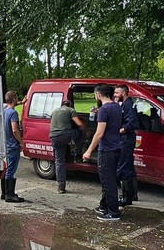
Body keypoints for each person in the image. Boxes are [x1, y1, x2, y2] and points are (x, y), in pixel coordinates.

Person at [82, 84, 122, 221]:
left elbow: (99, 133)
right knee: (109, 178)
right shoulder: (116, 106)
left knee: (107, 181)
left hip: (106, 150)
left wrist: (88, 151)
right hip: (116, 147)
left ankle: (113, 212)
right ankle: (104, 206)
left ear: (98, 95)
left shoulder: (104, 110)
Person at [49, 99, 86, 194]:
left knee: (59, 162)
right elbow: (79, 123)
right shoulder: (71, 110)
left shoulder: (54, 111)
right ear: (70, 105)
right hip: (65, 135)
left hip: (54, 137)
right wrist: (86, 130)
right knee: (79, 131)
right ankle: (78, 153)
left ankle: (61, 187)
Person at [114, 84, 141, 206]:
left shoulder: (128, 105)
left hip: (126, 139)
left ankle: (126, 198)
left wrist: (119, 131)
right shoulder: (125, 104)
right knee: (129, 165)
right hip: (127, 138)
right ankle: (133, 194)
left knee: (123, 167)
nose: (115, 95)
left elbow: (132, 123)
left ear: (123, 93)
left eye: (117, 93)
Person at [2, 90, 26, 203]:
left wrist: (22, 102)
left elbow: (9, 103)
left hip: (5, 145)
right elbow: (15, 130)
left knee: (6, 169)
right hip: (12, 145)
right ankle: (10, 195)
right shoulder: (13, 113)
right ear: (14, 99)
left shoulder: (3, 110)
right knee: (11, 170)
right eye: (16, 98)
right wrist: (21, 142)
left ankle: (4, 193)